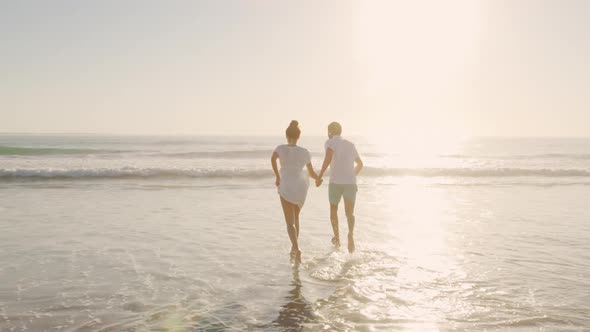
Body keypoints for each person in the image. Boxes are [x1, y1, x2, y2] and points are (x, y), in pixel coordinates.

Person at [271, 120, 322, 262]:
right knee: (296, 218)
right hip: (300, 185)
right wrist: (318, 178)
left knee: (289, 222)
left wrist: (277, 176)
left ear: (286, 135)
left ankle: (297, 248)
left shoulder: (280, 148)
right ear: (298, 136)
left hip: (286, 184)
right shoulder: (305, 152)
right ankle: (294, 247)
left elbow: (272, 159)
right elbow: (311, 173)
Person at [317, 122, 363, 253]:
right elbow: (360, 164)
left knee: (333, 209)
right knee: (350, 213)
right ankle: (350, 235)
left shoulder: (330, 142)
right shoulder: (350, 144)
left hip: (335, 183)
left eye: (328, 131)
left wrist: (320, 176)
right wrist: (351, 176)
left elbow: (327, 159)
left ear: (331, 131)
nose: (327, 133)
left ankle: (337, 238)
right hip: (350, 183)